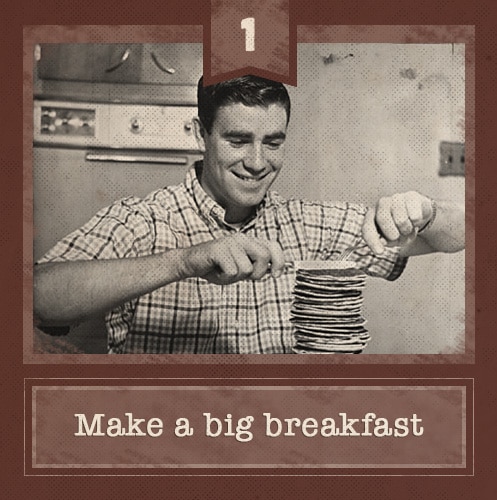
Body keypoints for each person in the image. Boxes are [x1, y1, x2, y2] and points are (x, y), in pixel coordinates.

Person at [34, 75, 465, 354]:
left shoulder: (309, 224)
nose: (258, 162)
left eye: (273, 142)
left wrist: (426, 211)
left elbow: (459, 233)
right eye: (238, 140)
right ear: (201, 134)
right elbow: (37, 298)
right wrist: (184, 261)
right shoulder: (143, 221)